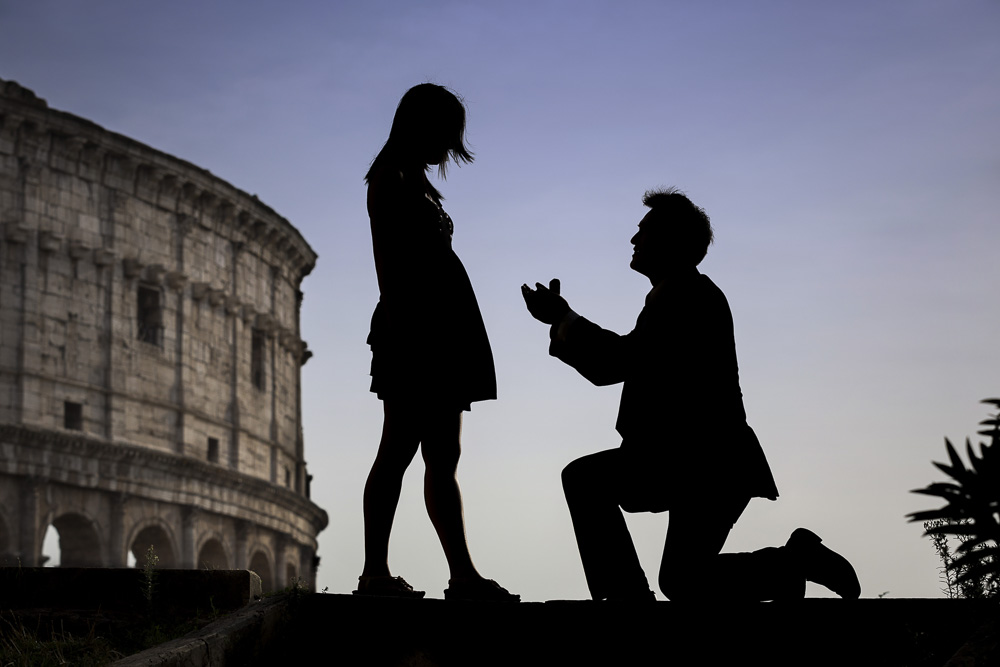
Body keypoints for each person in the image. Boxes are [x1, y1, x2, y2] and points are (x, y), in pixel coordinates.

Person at [521, 188, 860, 601]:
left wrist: (563, 319)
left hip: (701, 461)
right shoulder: (678, 295)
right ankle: (789, 565)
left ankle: (624, 602)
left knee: (585, 480)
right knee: (684, 580)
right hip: (698, 462)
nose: (633, 240)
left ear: (670, 241)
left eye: (643, 231)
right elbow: (616, 364)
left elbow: (619, 361)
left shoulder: (685, 296)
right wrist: (563, 322)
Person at [358, 84, 517, 601]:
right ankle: (376, 574)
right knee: (398, 451)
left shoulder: (418, 184)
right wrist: (418, 329)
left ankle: (461, 574)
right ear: (420, 126)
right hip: (417, 334)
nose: (450, 149)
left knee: (442, 456)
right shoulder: (390, 179)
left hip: (440, 334)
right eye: (445, 135)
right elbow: (394, 272)